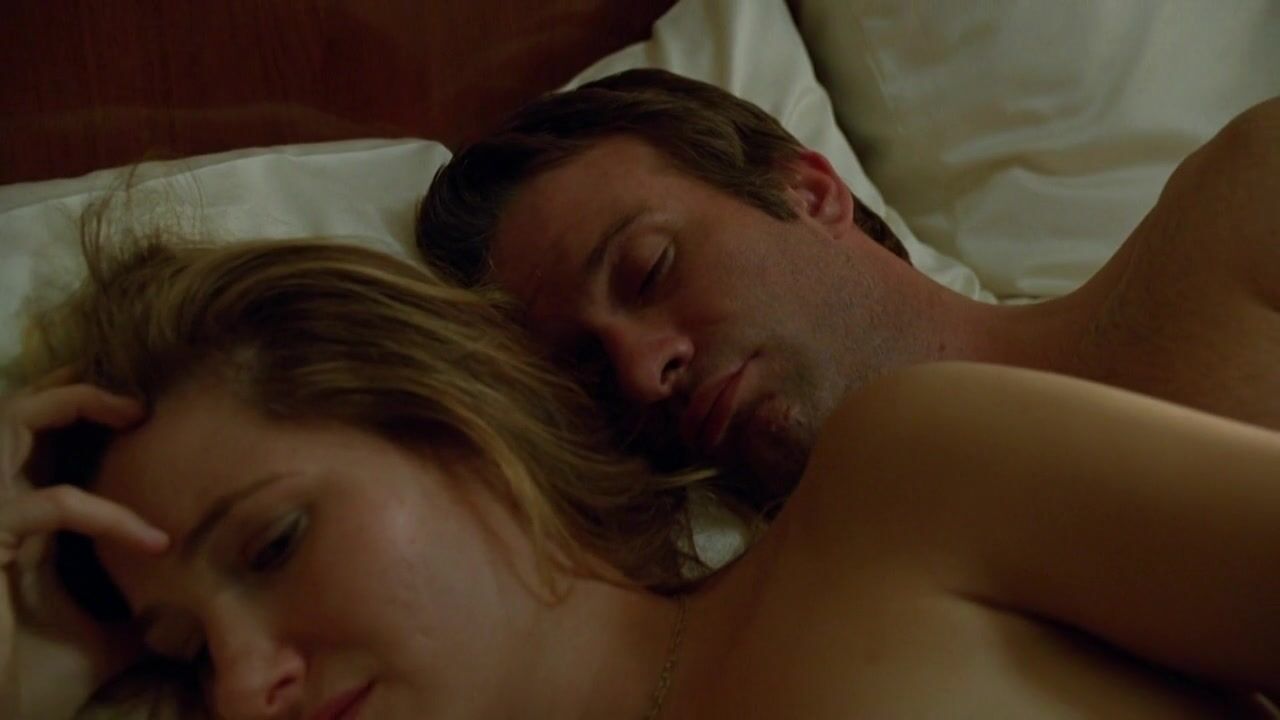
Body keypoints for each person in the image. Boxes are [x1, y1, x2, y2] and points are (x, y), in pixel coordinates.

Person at [3, 230, 1278, 718]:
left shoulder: (909, 486)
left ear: (453, 424)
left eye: (274, 545)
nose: (239, 692)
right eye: (182, 655)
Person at [417, 69, 1280, 504]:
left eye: (648, 270)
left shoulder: (1239, 213)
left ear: (809, 192)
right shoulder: (797, 632)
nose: (642, 373)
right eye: (592, 371)